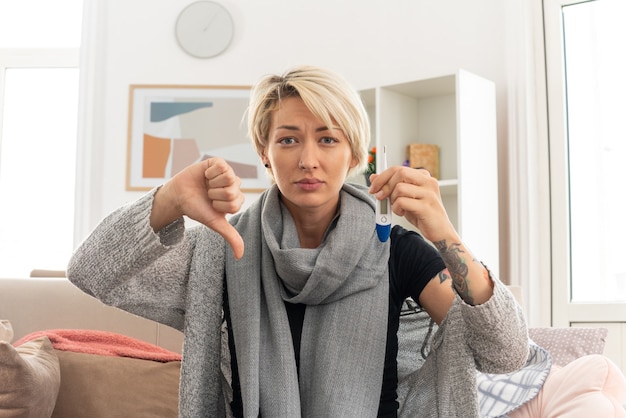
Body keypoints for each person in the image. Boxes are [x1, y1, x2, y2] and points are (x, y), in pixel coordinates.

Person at [67, 65, 531, 417]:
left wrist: (444, 233)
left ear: (353, 154)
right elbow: (90, 271)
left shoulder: (396, 248)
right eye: (288, 141)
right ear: (265, 156)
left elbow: (505, 353)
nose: (308, 159)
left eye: (327, 139)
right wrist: (167, 199)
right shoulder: (222, 249)